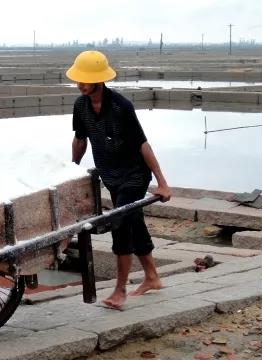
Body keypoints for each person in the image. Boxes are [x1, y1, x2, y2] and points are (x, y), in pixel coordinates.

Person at [67, 50, 172, 310]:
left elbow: (143, 145)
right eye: (78, 79)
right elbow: (80, 139)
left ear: (99, 80)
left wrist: (162, 182)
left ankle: (119, 291)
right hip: (110, 176)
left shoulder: (120, 107)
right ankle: (152, 277)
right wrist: (70, 170)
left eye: (86, 80)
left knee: (121, 225)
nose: (80, 85)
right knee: (134, 222)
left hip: (134, 175)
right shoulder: (80, 106)